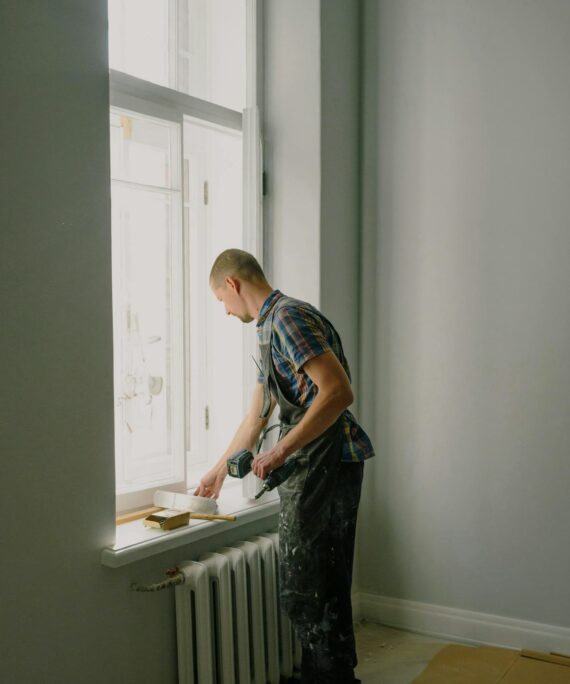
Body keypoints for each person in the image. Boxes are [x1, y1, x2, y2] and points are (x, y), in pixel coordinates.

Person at [195, 248, 374, 684]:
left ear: (233, 285)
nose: (224, 310)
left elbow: (338, 393)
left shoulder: (289, 319)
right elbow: (257, 415)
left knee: (320, 585)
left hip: (330, 462)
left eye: (221, 299)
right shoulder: (267, 329)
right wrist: (219, 469)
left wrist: (279, 452)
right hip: (310, 465)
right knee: (306, 588)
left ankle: (335, 678)